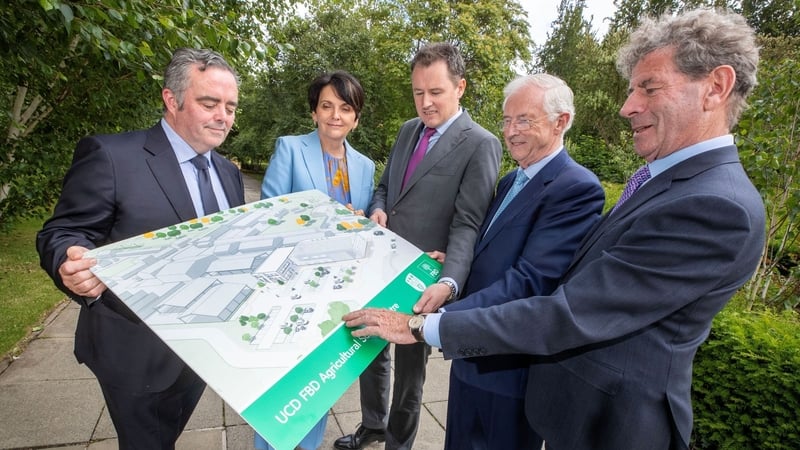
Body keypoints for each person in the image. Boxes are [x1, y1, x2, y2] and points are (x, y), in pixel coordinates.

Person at [343, 8, 765, 450]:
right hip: (543, 391)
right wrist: (455, 269)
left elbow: (566, 306)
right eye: (631, 89)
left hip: (609, 423)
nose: (627, 107)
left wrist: (421, 325)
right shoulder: (661, 181)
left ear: (715, 87)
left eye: (649, 87)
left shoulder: (716, 204)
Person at [36, 48, 244, 449]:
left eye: (231, 107)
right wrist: (68, 261)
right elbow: (62, 232)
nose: (223, 117)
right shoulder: (111, 156)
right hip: (134, 352)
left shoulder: (229, 174)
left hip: (202, 354)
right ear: (172, 100)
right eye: (209, 103)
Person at [334, 42, 502, 450]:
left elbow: (467, 224)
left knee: (410, 375)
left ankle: (398, 443)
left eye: (436, 92)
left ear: (460, 87)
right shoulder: (409, 130)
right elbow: (386, 188)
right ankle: (373, 425)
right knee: (369, 350)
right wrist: (377, 210)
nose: (425, 103)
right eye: (418, 92)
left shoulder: (481, 144)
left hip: (422, 281)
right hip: (381, 266)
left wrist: (449, 281)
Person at [429, 73, 605, 449]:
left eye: (524, 120)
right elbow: (495, 250)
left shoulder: (577, 188)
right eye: (507, 121)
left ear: (562, 121)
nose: (510, 131)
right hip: (471, 358)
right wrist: (455, 265)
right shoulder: (512, 180)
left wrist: (439, 321)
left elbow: (531, 280)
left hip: (509, 374)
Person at [255, 70, 374, 450]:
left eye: (345, 108)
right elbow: (267, 215)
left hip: (338, 291)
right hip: (290, 285)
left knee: (319, 382)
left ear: (356, 117)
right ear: (314, 113)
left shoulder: (366, 167)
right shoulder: (290, 149)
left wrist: (357, 224)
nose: (335, 115)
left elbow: (365, 228)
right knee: (282, 383)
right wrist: (324, 223)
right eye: (326, 106)